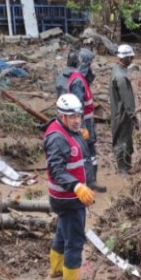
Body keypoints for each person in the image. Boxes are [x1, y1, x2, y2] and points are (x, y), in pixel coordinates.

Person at [43, 94, 96, 280]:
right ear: (61, 116)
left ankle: (56, 270)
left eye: (78, 116)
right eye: (71, 117)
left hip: (65, 199)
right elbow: (57, 170)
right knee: (75, 240)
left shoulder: (66, 130)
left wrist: (79, 138)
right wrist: (77, 186)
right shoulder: (57, 138)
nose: (76, 120)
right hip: (69, 198)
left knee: (62, 232)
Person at [55, 48, 106, 192]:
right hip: (85, 122)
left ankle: (91, 180)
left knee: (90, 151)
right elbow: (77, 106)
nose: (91, 67)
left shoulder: (78, 78)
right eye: (90, 64)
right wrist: (81, 127)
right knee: (86, 151)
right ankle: (88, 181)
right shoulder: (78, 80)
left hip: (86, 121)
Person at [109, 44, 138, 176]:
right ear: (125, 58)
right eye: (130, 58)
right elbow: (127, 100)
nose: (132, 60)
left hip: (118, 111)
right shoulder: (121, 77)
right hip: (122, 114)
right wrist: (133, 116)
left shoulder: (116, 69)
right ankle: (122, 169)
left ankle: (127, 166)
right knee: (122, 140)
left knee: (126, 139)